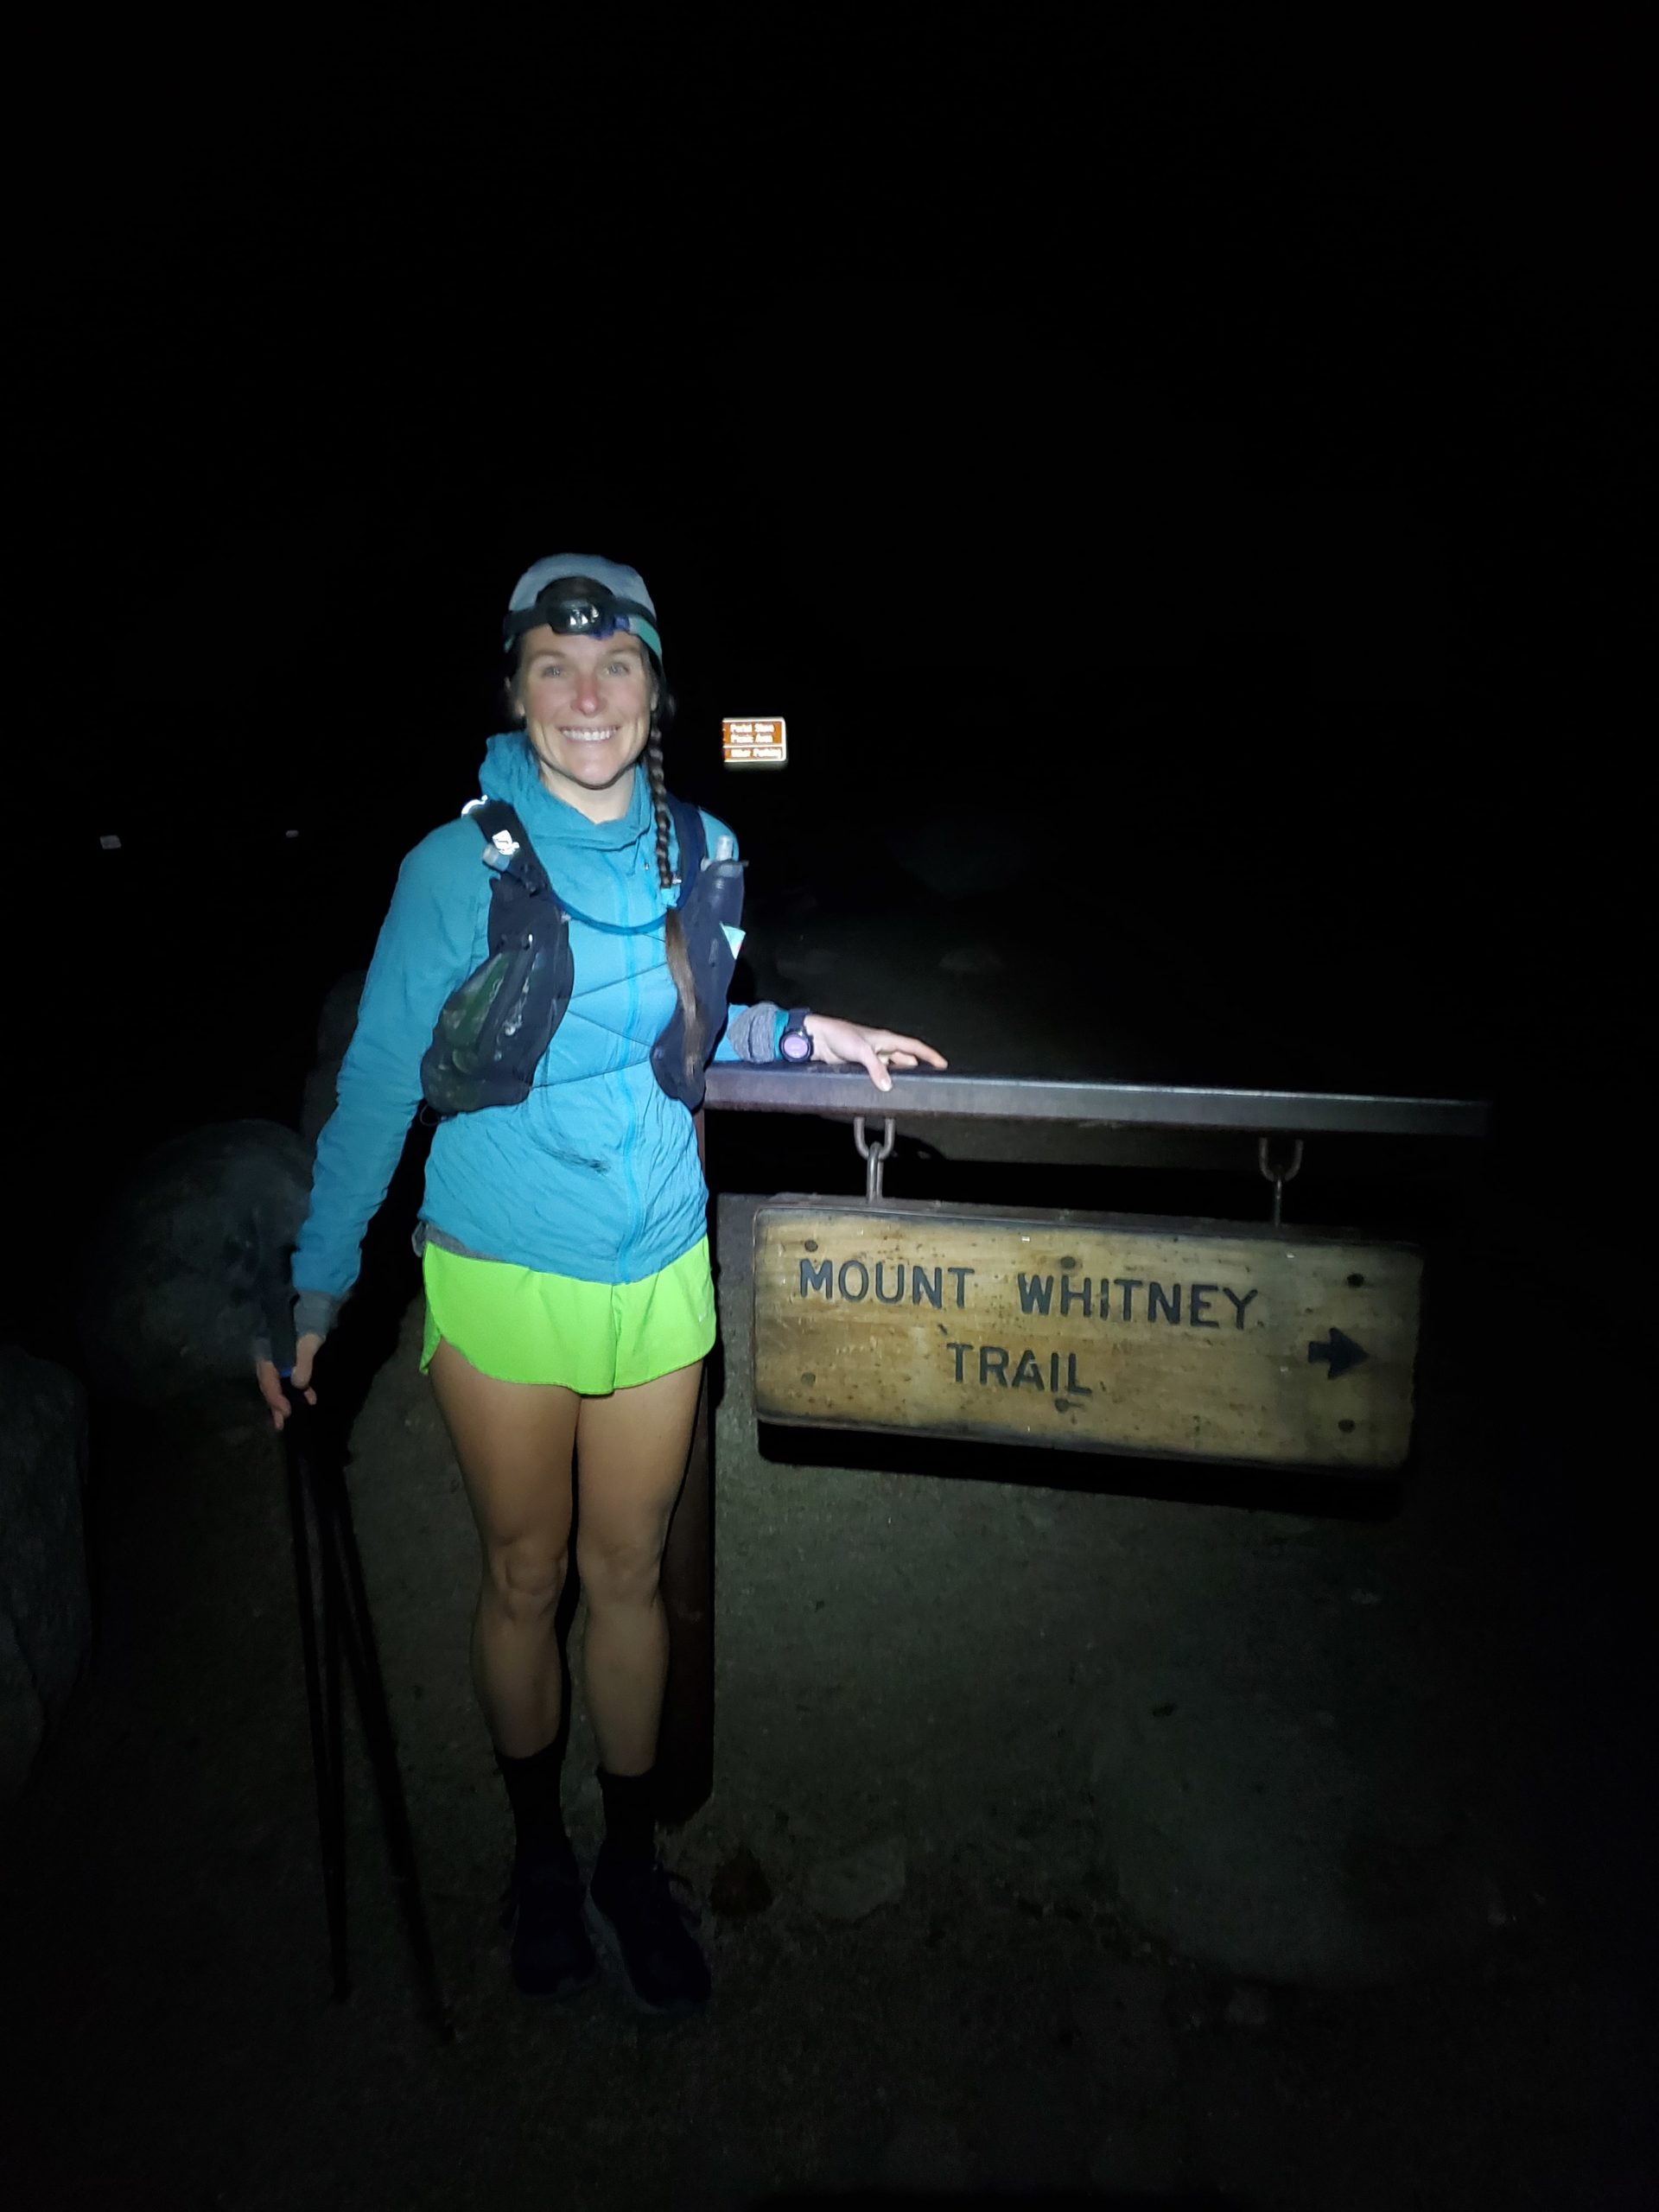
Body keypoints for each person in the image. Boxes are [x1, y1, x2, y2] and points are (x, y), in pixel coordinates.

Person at [255, 554, 946, 2018]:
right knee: (527, 1572)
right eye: (554, 669)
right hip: (501, 1270)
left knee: (626, 1574)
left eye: (616, 666)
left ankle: (630, 1861)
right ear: (515, 688)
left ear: (656, 693)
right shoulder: (455, 868)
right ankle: (538, 1857)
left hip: (660, 1273)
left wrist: (810, 1032)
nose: (587, 696)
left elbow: (689, 1023)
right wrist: (318, 1295)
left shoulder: (705, 847)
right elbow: (381, 1078)